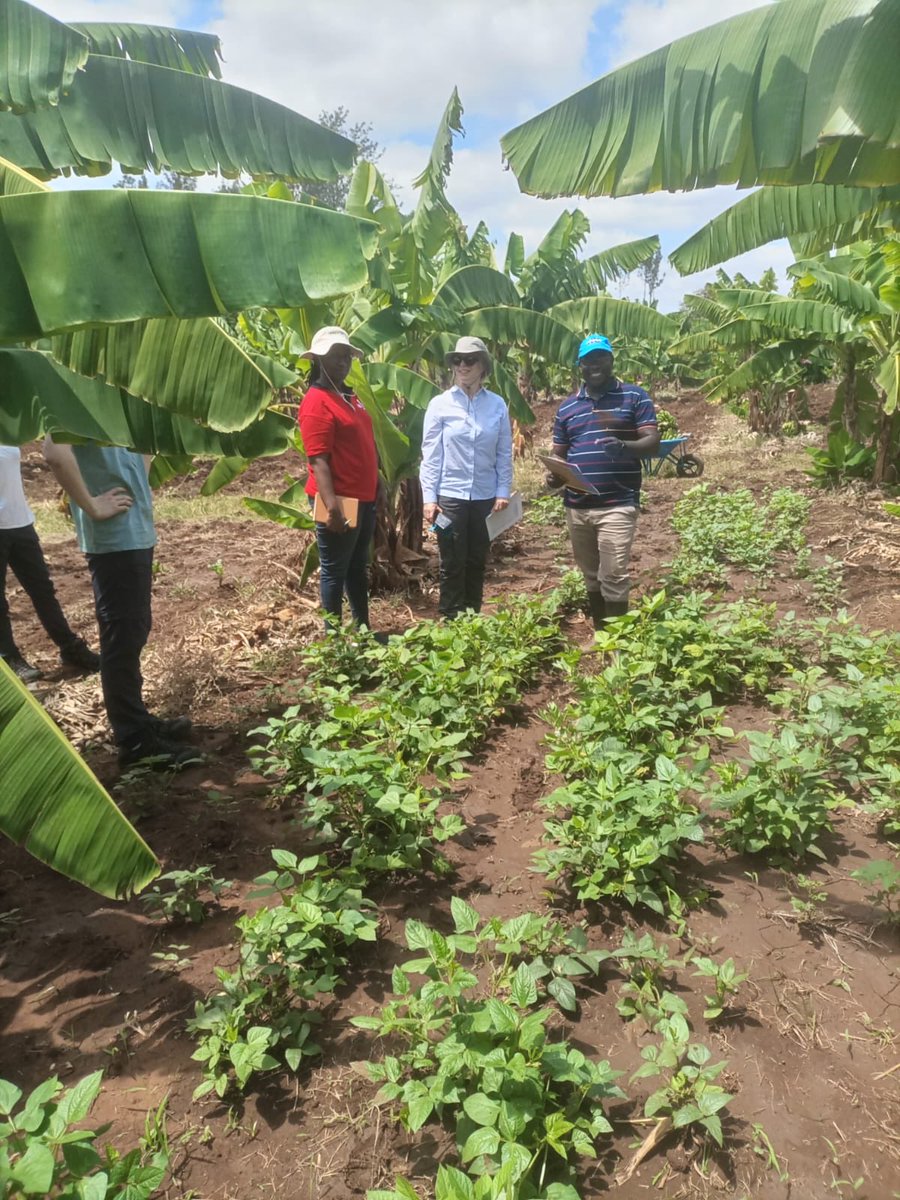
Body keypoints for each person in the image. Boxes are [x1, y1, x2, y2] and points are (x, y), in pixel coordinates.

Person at [43, 437, 198, 770]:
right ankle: (134, 740)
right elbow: (55, 452)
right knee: (121, 638)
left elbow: (144, 442)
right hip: (113, 537)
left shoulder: (112, 408)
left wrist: (137, 479)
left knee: (133, 631)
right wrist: (92, 505)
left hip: (132, 528)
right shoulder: (74, 404)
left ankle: (138, 720)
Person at [548, 333, 659, 628]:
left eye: (600, 357)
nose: (594, 364)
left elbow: (652, 442)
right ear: (580, 366)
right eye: (588, 360)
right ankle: (602, 634)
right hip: (577, 505)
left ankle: (618, 642)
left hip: (617, 503)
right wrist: (555, 475)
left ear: (611, 360)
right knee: (591, 575)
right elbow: (559, 454)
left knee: (613, 574)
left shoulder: (634, 396)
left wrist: (624, 447)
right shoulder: (567, 408)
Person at [420, 336, 513, 619]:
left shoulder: (497, 406)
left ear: (482, 365)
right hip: (449, 499)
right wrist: (429, 498)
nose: (463, 365)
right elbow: (430, 455)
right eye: (457, 360)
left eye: (470, 360)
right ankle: (450, 619)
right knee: (451, 560)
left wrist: (503, 491)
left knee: (476, 560)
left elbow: (503, 453)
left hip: (485, 498)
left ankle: (472, 618)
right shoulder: (440, 405)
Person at [298, 327, 380, 633]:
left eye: (346, 355)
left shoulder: (348, 396)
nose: (343, 361)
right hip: (339, 498)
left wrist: (378, 483)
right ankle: (333, 642)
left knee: (358, 566)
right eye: (335, 356)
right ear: (319, 359)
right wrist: (331, 506)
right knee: (334, 570)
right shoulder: (316, 401)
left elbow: (365, 443)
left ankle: (363, 631)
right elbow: (318, 459)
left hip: (364, 496)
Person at [0, 444, 100, 683]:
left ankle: (69, 647)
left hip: (20, 522)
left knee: (43, 591)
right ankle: (9, 657)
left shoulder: (8, 432)